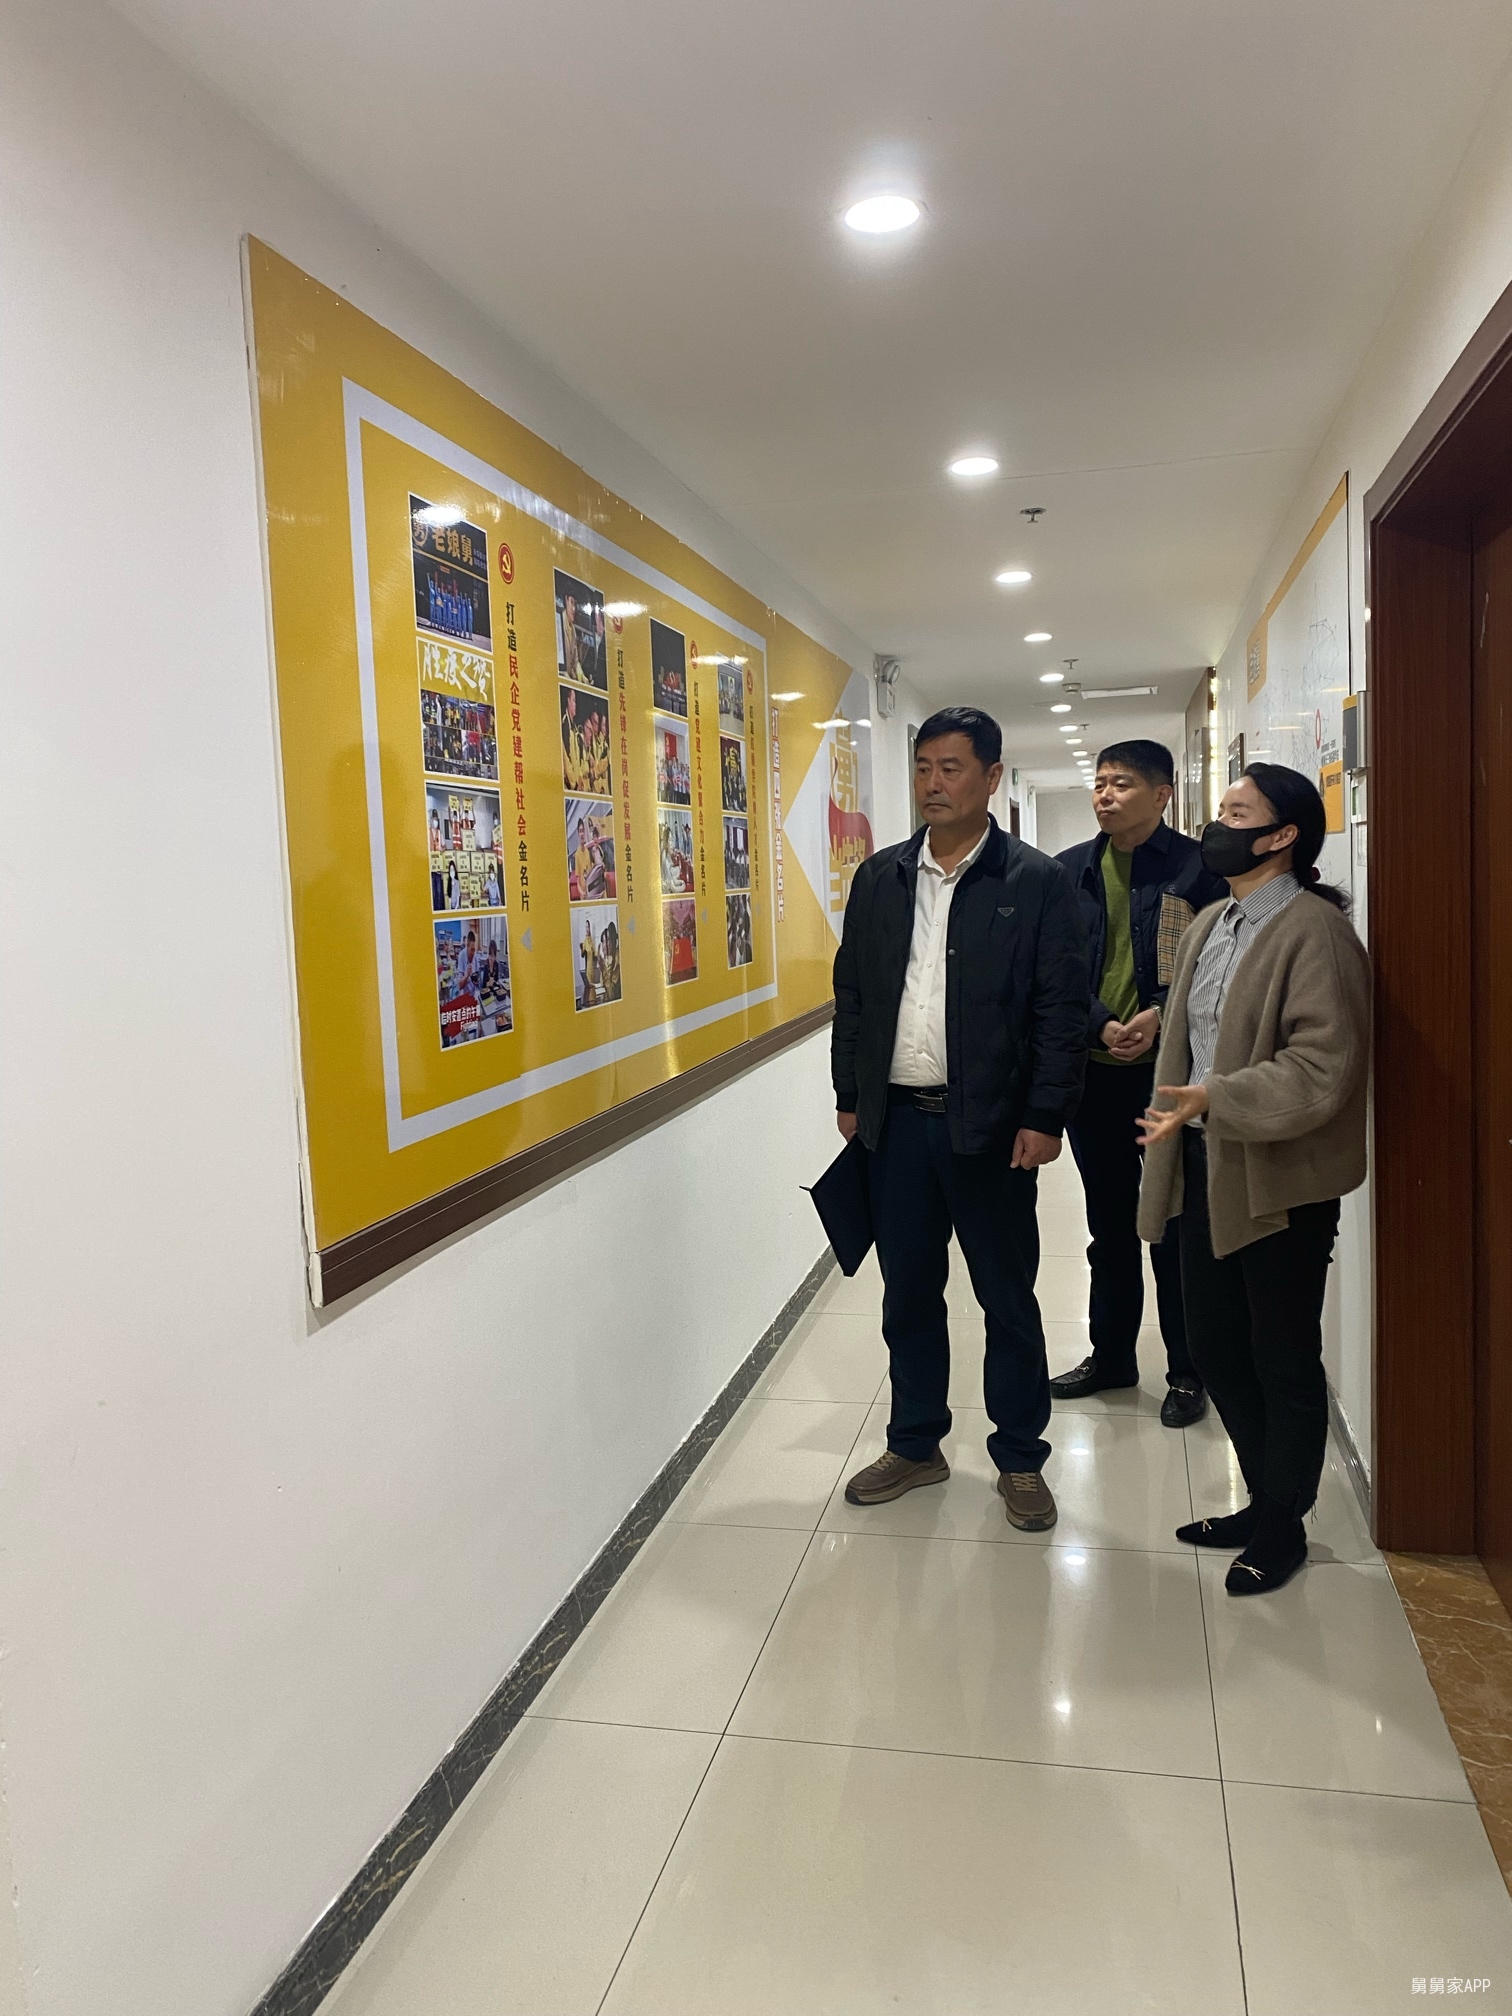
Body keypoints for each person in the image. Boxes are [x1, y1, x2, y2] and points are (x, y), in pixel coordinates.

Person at [832, 706, 1089, 1530]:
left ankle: (1020, 1457)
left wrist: (1046, 1114)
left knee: (1006, 1297)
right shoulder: (881, 877)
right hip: (898, 1126)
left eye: (951, 769)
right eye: (923, 768)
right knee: (908, 1294)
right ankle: (916, 1444)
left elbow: (1060, 1010)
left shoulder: (1035, 882)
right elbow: (853, 994)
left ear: (991, 777)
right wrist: (849, 1096)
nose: (933, 784)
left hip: (992, 1127)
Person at [1137, 763, 1370, 1594]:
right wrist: (1177, 1082)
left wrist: (1217, 1097)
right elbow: (1200, 1030)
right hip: (1208, 1163)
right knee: (1214, 1345)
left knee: (1281, 1354)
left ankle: (1283, 1524)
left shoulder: (1316, 932)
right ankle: (1263, 1497)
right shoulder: (1212, 921)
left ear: (1282, 836)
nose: (1217, 825)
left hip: (1280, 1180)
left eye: (1237, 814)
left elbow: (1321, 1068)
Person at [1050, 741, 1228, 1427]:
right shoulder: (1069, 871)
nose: (1105, 795)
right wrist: (1100, 1022)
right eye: (1099, 783)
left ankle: (1188, 1372)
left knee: (1174, 1228)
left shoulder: (1199, 869)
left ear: (1161, 794)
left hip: (1172, 1079)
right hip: (1095, 1077)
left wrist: (1159, 1012)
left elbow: (1216, 963)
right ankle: (1112, 1358)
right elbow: (1056, 968)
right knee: (1109, 1226)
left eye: (1121, 783)